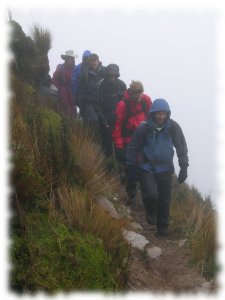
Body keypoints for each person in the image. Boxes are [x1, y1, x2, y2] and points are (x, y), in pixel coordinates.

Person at [126, 98, 189, 236]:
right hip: (147, 168)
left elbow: (181, 147)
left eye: (163, 114)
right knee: (151, 194)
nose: (161, 116)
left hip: (166, 169)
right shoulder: (143, 128)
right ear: (153, 113)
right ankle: (151, 212)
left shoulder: (173, 127)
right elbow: (133, 147)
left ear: (167, 114)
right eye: (158, 113)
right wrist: (130, 167)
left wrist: (183, 166)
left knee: (165, 199)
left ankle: (162, 227)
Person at [112, 80, 152, 202]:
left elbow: (152, 118)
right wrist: (119, 145)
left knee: (144, 164)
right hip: (128, 140)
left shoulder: (146, 100)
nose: (138, 97)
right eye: (136, 94)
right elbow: (117, 125)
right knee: (131, 166)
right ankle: (131, 192)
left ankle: (145, 190)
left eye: (140, 93)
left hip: (143, 139)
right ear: (131, 92)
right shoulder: (122, 105)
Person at [95, 64, 127, 157]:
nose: (112, 77)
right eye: (110, 75)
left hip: (118, 118)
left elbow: (125, 103)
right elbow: (97, 105)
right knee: (106, 143)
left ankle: (119, 161)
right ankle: (107, 161)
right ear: (107, 74)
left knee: (120, 143)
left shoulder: (122, 85)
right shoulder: (100, 85)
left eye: (114, 75)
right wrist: (104, 121)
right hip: (104, 118)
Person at [76, 53, 105, 129]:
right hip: (90, 103)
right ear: (89, 64)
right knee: (93, 121)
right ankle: (91, 139)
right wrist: (85, 100)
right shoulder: (85, 74)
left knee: (104, 123)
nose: (94, 66)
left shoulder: (105, 72)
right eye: (92, 65)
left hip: (103, 102)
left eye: (95, 64)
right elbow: (80, 91)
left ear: (98, 61)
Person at [52, 50, 77, 115]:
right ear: (66, 58)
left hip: (71, 90)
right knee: (66, 106)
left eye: (71, 58)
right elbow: (54, 78)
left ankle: (74, 123)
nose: (70, 59)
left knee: (73, 107)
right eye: (68, 58)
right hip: (63, 89)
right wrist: (58, 88)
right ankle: (68, 122)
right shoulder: (61, 67)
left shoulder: (75, 69)